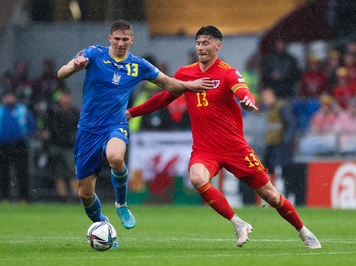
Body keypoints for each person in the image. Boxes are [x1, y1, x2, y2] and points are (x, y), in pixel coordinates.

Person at [126, 25, 321, 249]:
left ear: (218, 45)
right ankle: (238, 223)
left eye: (205, 43)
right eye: (198, 43)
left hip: (235, 149)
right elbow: (162, 99)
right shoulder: (184, 74)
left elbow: (242, 89)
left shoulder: (227, 72)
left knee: (272, 196)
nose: (200, 47)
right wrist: (132, 112)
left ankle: (303, 231)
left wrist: (247, 100)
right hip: (205, 150)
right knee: (198, 178)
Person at [57, 20, 212, 236]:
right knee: (85, 193)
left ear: (132, 40)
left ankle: (121, 204)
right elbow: (61, 73)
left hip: (115, 123)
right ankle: (105, 228)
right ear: (109, 38)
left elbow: (168, 83)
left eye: (125, 39)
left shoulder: (139, 65)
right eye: (117, 39)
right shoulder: (93, 54)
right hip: (88, 129)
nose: (121, 43)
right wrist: (74, 66)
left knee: (115, 157)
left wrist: (189, 86)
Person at [0, 90, 36, 203]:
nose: (9, 99)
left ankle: (23, 198)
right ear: (4, 98)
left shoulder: (22, 110)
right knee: (4, 173)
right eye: (7, 96)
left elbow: (31, 125)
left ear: (15, 98)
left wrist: (25, 136)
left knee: (22, 173)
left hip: (20, 146)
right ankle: (5, 198)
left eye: (11, 96)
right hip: (3, 146)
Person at [41, 89, 80, 202]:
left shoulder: (74, 112)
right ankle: (62, 199)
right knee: (58, 174)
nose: (65, 99)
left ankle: (76, 198)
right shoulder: (53, 112)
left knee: (73, 173)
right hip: (56, 146)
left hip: (69, 147)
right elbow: (46, 128)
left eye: (67, 96)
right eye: (63, 96)